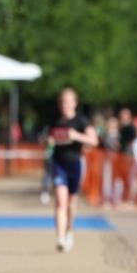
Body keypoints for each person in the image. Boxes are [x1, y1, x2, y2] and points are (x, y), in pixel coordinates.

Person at [48, 87, 99, 251]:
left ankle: (69, 230)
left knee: (71, 203)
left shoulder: (81, 121)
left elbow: (94, 141)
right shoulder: (55, 120)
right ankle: (60, 237)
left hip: (75, 164)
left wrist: (75, 136)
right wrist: (49, 141)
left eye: (69, 101)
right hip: (58, 163)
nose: (65, 104)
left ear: (75, 103)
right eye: (63, 101)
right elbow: (49, 138)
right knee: (60, 201)